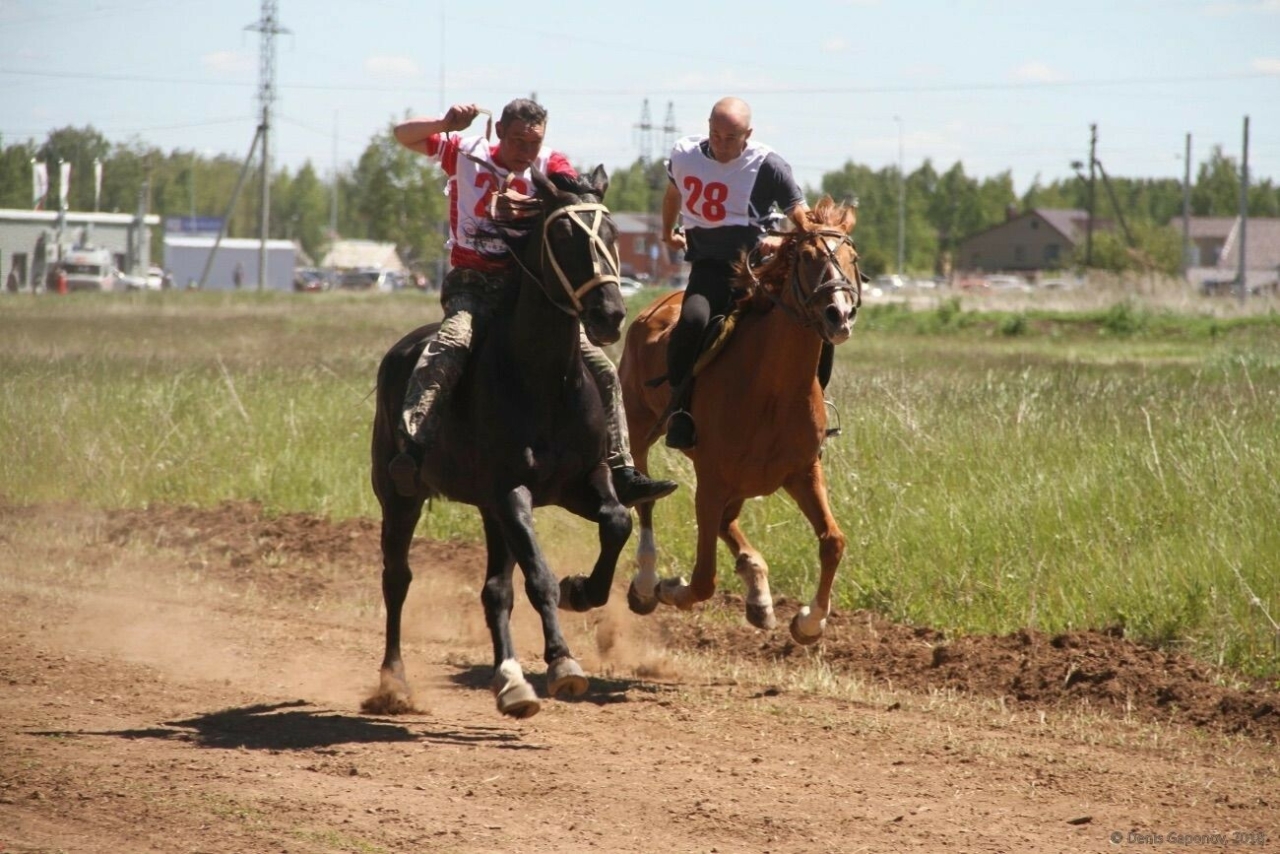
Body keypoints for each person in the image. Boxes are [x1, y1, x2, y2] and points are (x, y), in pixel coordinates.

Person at [386, 98, 678, 507]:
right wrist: (444, 122)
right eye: (518, 140)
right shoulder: (466, 153)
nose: (526, 151)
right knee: (450, 344)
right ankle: (413, 448)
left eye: (534, 142)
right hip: (472, 283)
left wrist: (536, 203)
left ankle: (622, 469)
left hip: (528, 288)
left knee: (604, 370)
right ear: (500, 131)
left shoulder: (549, 166)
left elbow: (574, 196)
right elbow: (402, 136)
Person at [661, 97, 811, 449]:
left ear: (749, 134)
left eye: (731, 137)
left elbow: (802, 214)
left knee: (811, 320)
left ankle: (813, 412)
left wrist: (783, 237)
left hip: (760, 267)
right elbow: (673, 194)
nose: (721, 144)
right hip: (712, 268)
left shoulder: (768, 165)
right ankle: (679, 411)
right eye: (715, 134)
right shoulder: (684, 154)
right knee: (693, 323)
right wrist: (666, 232)